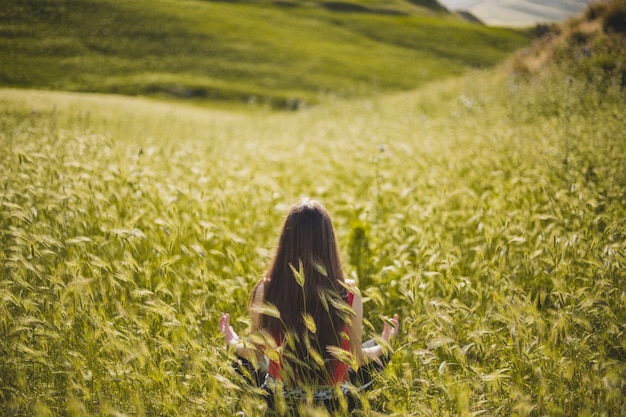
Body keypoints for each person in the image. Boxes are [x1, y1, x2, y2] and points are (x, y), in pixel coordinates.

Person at [219, 198, 399, 413]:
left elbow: (256, 354)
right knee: (375, 350)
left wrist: (231, 341)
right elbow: (356, 357)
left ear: (286, 242)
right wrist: (384, 345)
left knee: (242, 359)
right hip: (334, 404)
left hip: (279, 403)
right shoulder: (349, 292)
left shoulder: (266, 290)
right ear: (329, 242)